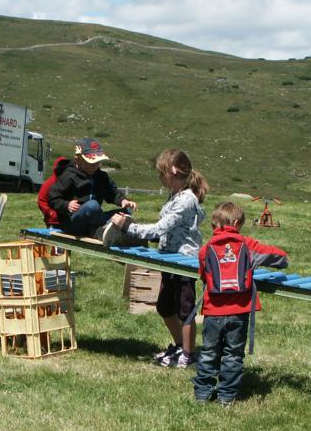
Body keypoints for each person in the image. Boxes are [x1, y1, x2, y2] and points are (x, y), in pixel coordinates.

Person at [105, 149, 209, 368]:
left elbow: (159, 229)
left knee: (185, 310)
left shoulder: (186, 200)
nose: (160, 178)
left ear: (173, 171)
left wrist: (128, 227)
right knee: (165, 306)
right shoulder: (175, 195)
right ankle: (180, 346)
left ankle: (189, 354)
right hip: (170, 259)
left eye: (162, 173)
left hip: (183, 262)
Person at [192, 201, 289, 406]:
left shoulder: (205, 249)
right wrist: (284, 262)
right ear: (237, 223)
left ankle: (202, 394)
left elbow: (203, 276)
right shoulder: (248, 245)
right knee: (233, 355)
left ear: (214, 224)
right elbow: (279, 257)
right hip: (239, 312)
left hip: (212, 312)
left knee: (209, 353)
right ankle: (226, 397)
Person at [47, 138, 137, 237]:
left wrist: (123, 200)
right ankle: (102, 231)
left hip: (94, 218)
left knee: (125, 212)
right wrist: (66, 205)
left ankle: (109, 230)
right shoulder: (69, 176)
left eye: (97, 162)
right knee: (92, 205)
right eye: (91, 162)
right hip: (73, 222)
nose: (95, 166)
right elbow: (53, 198)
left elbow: (111, 193)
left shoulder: (101, 176)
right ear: (78, 160)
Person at [37, 156, 69, 227]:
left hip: (68, 221)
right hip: (53, 221)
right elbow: (41, 201)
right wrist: (50, 213)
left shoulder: (69, 181)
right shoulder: (48, 183)